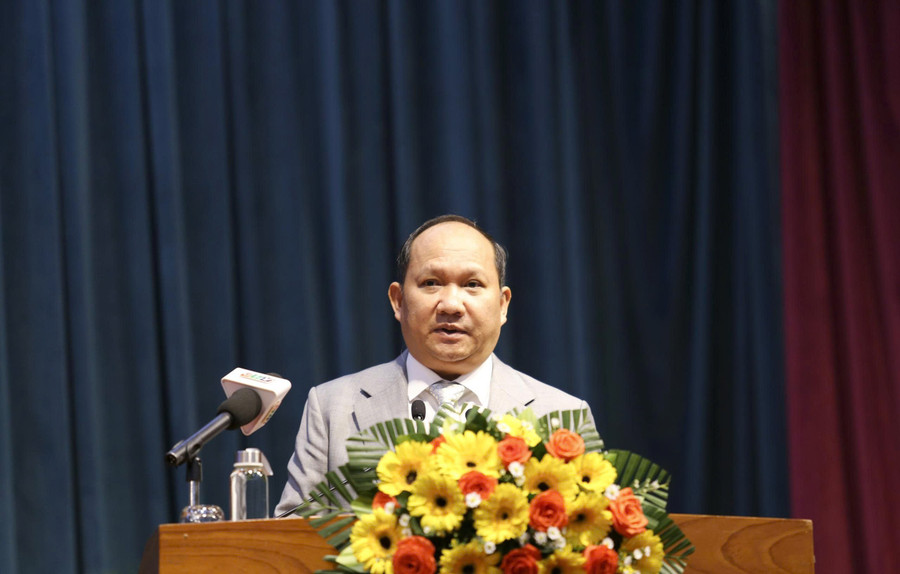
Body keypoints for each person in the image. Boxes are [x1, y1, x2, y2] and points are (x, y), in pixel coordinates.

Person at [275, 215, 593, 516]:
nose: (451, 305)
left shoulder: (563, 417)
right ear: (398, 301)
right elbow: (287, 541)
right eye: (430, 283)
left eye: (472, 284)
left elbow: (596, 545)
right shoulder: (333, 408)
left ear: (502, 304)